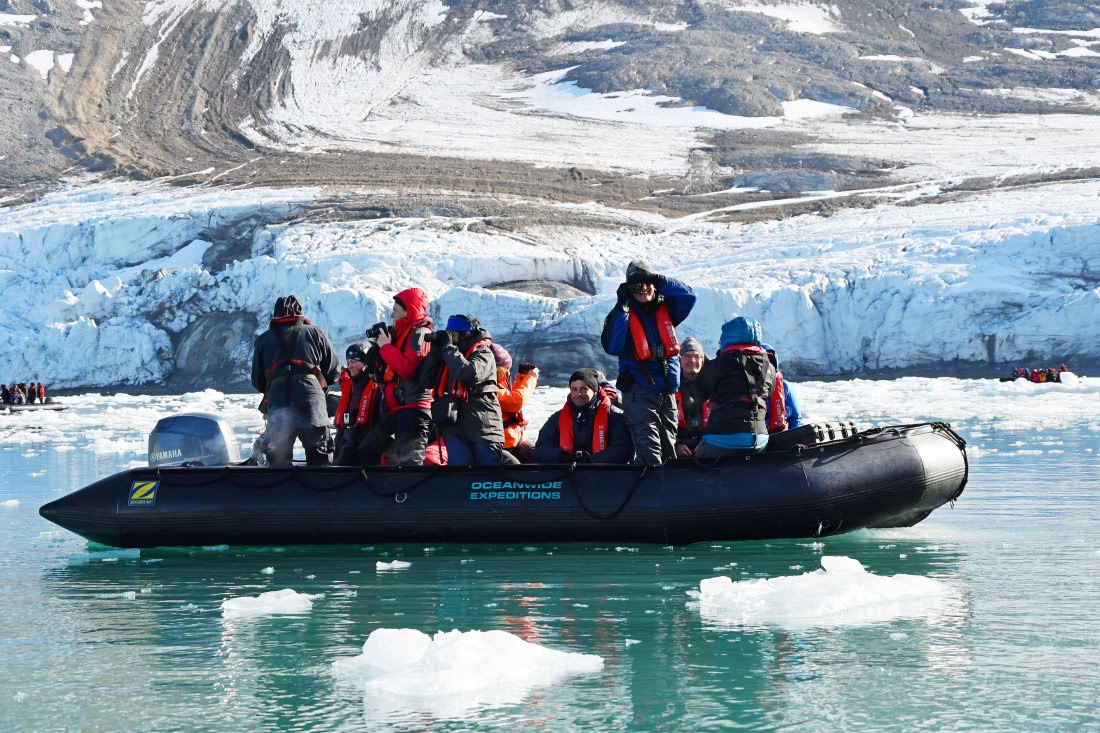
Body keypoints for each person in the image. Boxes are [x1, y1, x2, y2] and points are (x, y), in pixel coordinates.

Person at [601, 259, 696, 466]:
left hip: (667, 388)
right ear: (628, 289)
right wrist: (622, 307)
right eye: (636, 286)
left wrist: (660, 280)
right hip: (639, 388)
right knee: (648, 451)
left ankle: (668, 483)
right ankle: (648, 483)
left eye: (647, 283)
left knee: (669, 447)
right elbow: (613, 346)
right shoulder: (622, 314)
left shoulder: (667, 308)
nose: (643, 289)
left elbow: (689, 297)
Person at [251, 295, 340, 466]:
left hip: (278, 402)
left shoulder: (263, 339)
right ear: (300, 312)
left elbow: (257, 380)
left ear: (275, 314)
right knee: (320, 461)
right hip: (312, 403)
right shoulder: (317, 333)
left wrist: (277, 385)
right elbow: (333, 371)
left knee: (279, 461)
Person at [420, 315, 505, 466]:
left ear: (466, 334)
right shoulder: (449, 355)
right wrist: (435, 351)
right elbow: (425, 380)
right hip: (455, 429)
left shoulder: (483, 353)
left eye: (452, 334)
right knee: (459, 474)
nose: (449, 338)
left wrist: (448, 348)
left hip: (484, 429)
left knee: (488, 475)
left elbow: (468, 374)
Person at [365, 287, 435, 466]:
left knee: (409, 462)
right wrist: (380, 347)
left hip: (413, 408)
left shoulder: (420, 333)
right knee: (369, 448)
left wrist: (386, 347)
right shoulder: (402, 334)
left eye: (395, 310)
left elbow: (407, 369)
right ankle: (382, 483)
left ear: (408, 311)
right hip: (397, 408)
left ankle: (410, 486)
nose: (392, 314)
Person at [694, 316, 776, 456]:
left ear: (727, 338)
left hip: (721, 439)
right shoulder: (769, 367)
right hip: (759, 440)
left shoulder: (717, 365)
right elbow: (768, 393)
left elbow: (697, 394)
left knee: (696, 459)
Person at [535, 368, 633, 464]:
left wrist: (590, 461)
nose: (579, 394)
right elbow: (542, 446)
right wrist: (561, 457)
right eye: (574, 389)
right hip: (567, 471)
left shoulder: (615, 417)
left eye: (584, 389)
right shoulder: (557, 418)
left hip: (604, 472)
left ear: (595, 391)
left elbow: (622, 449)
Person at [332, 342, 385, 467]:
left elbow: (382, 419)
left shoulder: (377, 385)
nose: (350, 366)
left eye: (354, 361)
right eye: (348, 362)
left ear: (366, 362)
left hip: (370, 441)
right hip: (351, 437)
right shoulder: (351, 386)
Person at [491, 343, 539, 464]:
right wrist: (531, 378)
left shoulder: (499, 383)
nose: (508, 372)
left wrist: (522, 378)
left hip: (517, 440)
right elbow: (516, 401)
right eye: (505, 368)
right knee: (516, 468)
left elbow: (510, 396)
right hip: (501, 445)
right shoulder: (487, 388)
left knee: (541, 457)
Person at [674, 337, 709, 458]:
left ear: (702, 360)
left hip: (708, 445)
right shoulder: (669, 386)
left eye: (696, 356)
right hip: (677, 447)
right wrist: (675, 444)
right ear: (680, 359)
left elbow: (722, 420)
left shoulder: (715, 385)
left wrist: (708, 442)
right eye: (687, 356)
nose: (692, 360)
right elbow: (661, 422)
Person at [759, 343, 804, 433]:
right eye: (762, 362)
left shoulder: (785, 387)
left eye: (769, 362)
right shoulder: (745, 388)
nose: (766, 366)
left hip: (780, 436)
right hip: (757, 437)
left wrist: (798, 438)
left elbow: (795, 419)